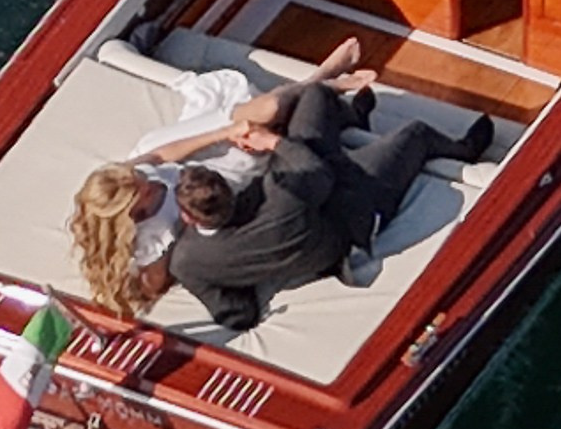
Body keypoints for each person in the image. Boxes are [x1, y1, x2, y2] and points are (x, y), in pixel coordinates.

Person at [66, 36, 375, 319]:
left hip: (194, 152)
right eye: (142, 186)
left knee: (269, 108)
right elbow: (163, 278)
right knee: (271, 124)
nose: (145, 178)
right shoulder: (144, 244)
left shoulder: (126, 177)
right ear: (132, 210)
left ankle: (321, 78)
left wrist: (224, 132)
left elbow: (161, 156)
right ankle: (324, 88)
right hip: (216, 186)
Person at [168, 85, 494, 333]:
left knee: (316, 96)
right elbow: (318, 175)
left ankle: (354, 117)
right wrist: (270, 142)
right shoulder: (280, 200)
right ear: (227, 188)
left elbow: (238, 315)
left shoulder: (187, 263)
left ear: (187, 217)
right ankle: (463, 150)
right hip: (350, 207)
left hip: (307, 187)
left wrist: (248, 268)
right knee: (415, 135)